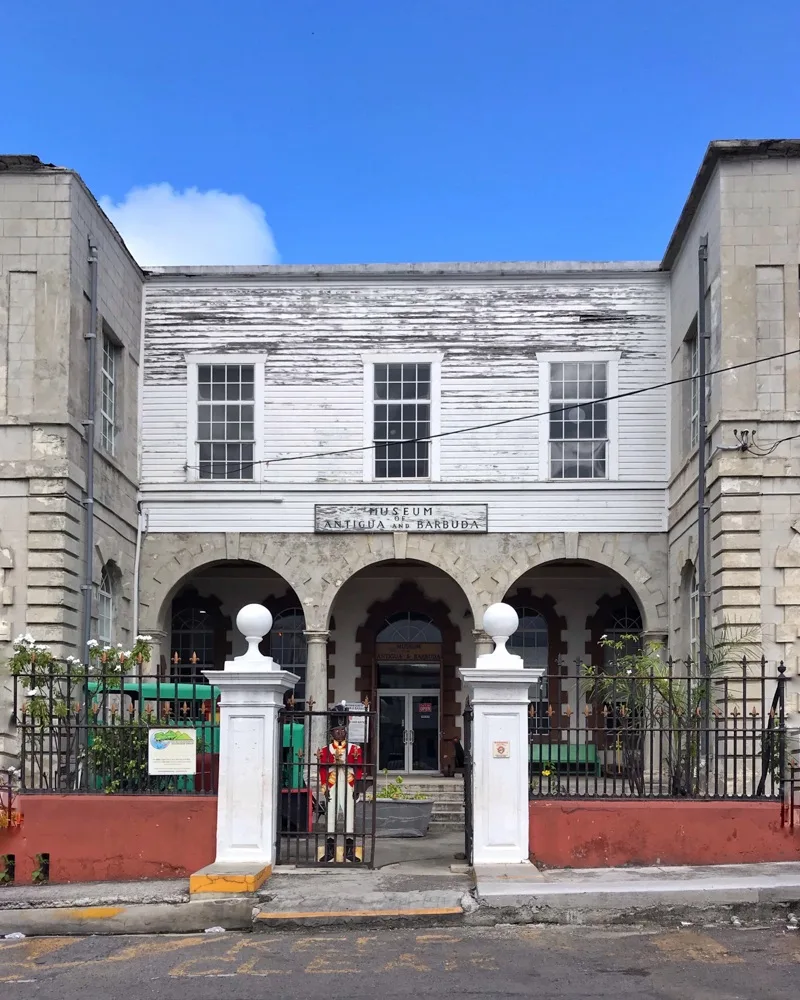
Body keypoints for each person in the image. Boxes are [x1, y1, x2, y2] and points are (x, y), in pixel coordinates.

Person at [317, 714, 364, 862]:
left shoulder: (355, 748)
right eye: (336, 730)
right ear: (331, 733)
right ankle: (330, 851)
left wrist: (357, 786)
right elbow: (322, 770)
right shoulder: (325, 750)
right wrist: (324, 786)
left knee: (349, 815)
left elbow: (359, 769)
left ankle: (349, 851)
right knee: (331, 815)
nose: (340, 733)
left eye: (342, 729)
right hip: (332, 783)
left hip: (349, 783)